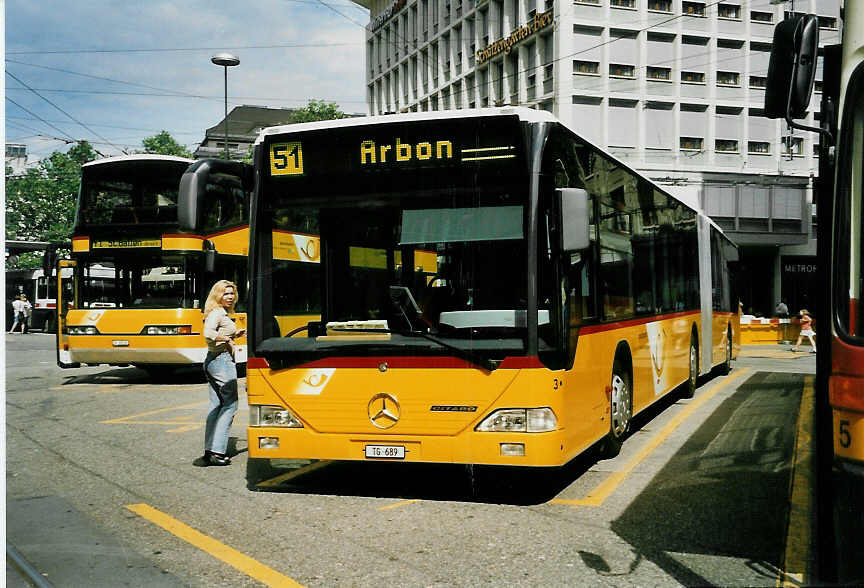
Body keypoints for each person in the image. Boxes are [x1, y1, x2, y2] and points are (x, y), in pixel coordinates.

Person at [200, 280, 246, 466]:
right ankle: (218, 452)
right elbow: (208, 332)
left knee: (216, 405)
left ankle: (210, 450)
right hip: (221, 361)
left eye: (232, 293)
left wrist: (235, 335)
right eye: (226, 293)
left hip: (213, 360)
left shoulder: (219, 313)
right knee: (230, 406)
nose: (230, 297)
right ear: (217, 295)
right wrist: (226, 337)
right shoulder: (217, 313)